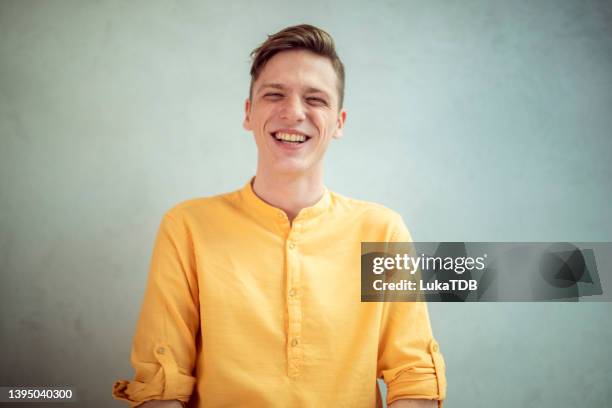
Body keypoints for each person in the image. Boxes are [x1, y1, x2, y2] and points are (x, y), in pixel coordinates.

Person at [113, 24, 446, 408]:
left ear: (339, 123)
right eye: (275, 94)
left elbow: (415, 380)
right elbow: (160, 385)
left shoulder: (383, 232)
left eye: (316, 99)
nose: (293, 112)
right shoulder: (187, 228)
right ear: (249, 113)